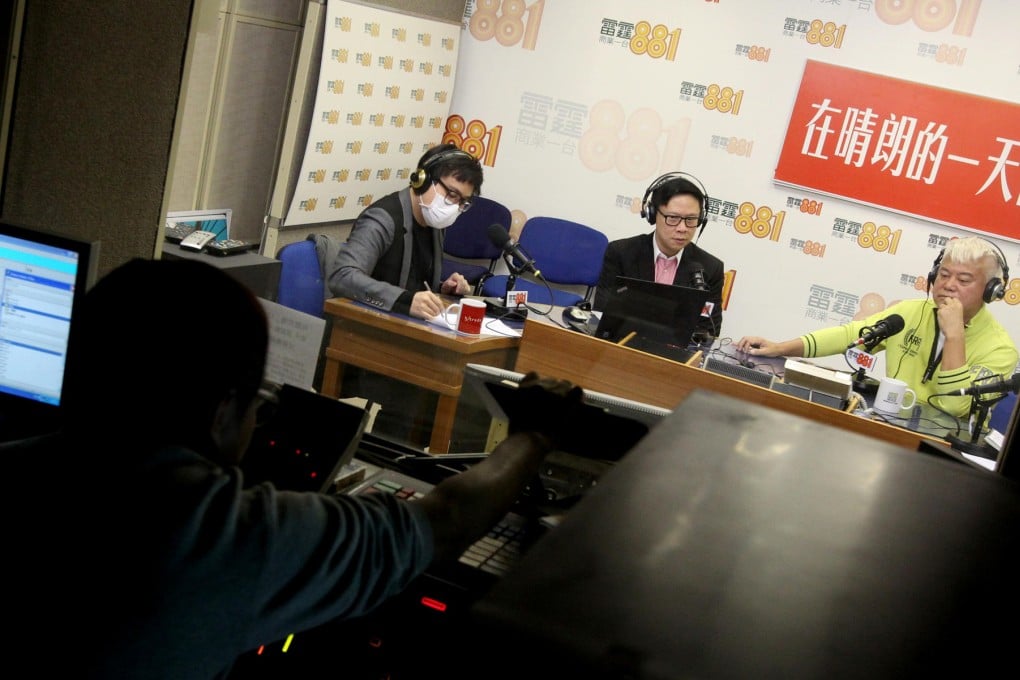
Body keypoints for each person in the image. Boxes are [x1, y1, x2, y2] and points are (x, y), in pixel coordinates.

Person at [5, 258, 585, 679]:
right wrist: (535, 435)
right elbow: (446, 522)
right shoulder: (227, 536)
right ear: (224, 411)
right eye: (256, 401)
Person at [735, 236, 1019, 418]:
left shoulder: (1001, 348)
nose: (949, 285)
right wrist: (780, 347)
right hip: (887, 425)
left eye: (964, 280)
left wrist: (955, 335)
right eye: (943, 275)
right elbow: (849, 335)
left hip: (943, 453)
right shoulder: (909, 312)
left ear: (990, 291)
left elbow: (955, 407)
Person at [327, 142, 483, 320]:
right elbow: (342, 277)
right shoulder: (382, 219)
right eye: (452, 194)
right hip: (359, 325)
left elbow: (410, 282)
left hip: (403, 326)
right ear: (423, 180)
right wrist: (405, 301)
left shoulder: (434, 224)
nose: (454, 206)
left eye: (462, 202)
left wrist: (442, 289)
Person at [595, 172, 725, 342]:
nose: (682, 228)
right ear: (652, 214)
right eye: (673, 218)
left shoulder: (710, 268)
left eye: (691, 219)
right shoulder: (621, 252)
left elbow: (709, 330)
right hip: (620, 345)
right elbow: (602, 311)